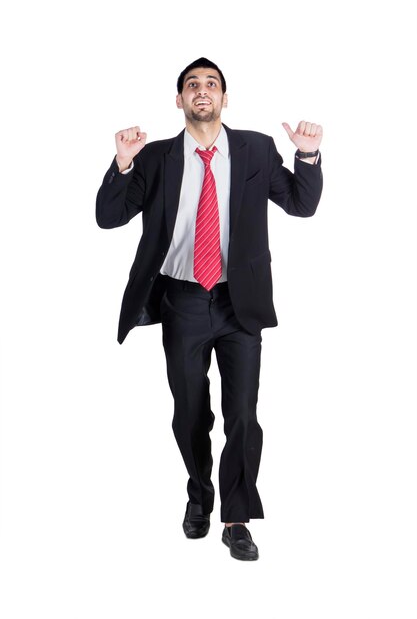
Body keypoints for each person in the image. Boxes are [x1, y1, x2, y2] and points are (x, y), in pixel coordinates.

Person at [96, 57, 323, 561]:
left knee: (243, 414)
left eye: (212, 84)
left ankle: (236, 519)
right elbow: (108, 217)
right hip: (182, 301)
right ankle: (199, 492)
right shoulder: (154, 157)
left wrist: (306, 157)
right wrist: (123, 164)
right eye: (192, 85)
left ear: (225, 98)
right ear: (178, 100)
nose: (203, 91)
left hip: (240, 303)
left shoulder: (256, 150)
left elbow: (301, 206)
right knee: (191, 413)